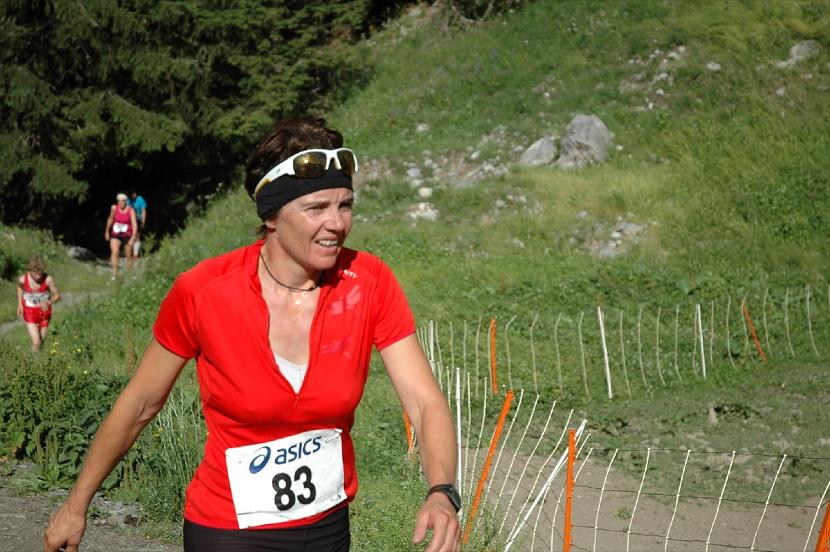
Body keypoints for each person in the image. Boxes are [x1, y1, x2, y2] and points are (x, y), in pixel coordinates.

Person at [45, 116, 461, 552]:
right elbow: (140, 404)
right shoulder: (204, 291)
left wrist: (441, 492)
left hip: (328, 528)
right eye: (316, 208)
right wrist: (76, 504)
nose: (337, 223)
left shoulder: (367, 283)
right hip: (228, 530)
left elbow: (424, 402)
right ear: (272, 215)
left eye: (345, 205)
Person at [17, 255, 60, 352]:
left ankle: (39, 358)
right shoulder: (23, 279)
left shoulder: (48, 279)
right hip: (29, 312)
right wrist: (20, 304)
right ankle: (34, 360)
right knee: (36, 342)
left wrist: (49, 301)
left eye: (40, 274)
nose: (38, 277)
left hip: (44, 312)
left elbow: (57, 295)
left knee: (42, 340)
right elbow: (19, 288)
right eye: (35, 273)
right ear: (29, 270)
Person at [104, 192, 138, 280]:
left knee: (128, 255)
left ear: (126, 201)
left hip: (127, 235)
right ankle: (114, 274)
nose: (121, 203)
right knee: (114, 252)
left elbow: (134, 224)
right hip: (115, 234)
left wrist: (133, 237)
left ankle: (130, 274)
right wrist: (107, 231)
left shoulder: (131, 210)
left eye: (123, 201)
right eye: (119, 201)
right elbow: (110, 219)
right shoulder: (114, 208)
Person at [128, 189, 148, 258]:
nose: (134, 195)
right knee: (129, 235)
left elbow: (143, 210)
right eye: (132, 194)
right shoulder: (127, 200)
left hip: (138, 219)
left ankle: (135, 254)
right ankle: (129, 251)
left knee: (137, 235)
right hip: (129, 220)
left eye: (135, 193)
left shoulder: (140, 199)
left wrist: (143, 221)